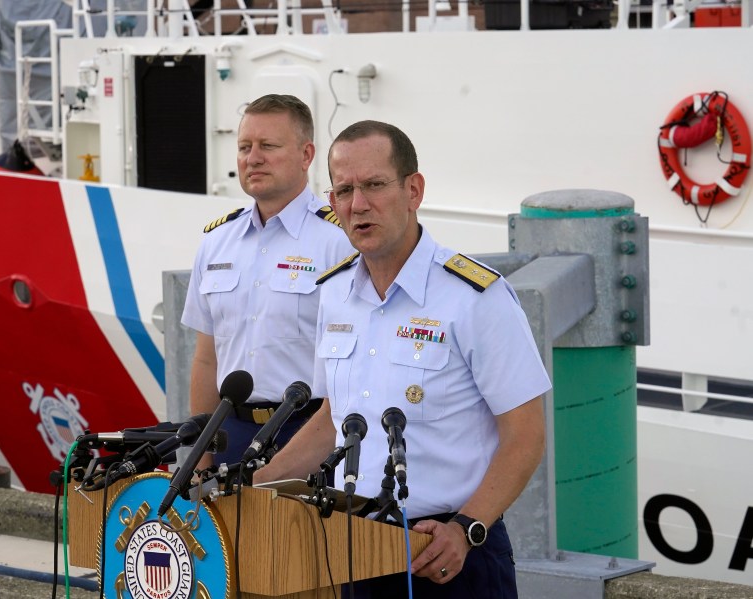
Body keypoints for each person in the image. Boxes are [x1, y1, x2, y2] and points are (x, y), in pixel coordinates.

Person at [255, 120, 551, 598]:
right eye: (345, 190)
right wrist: (254, 487)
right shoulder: (333, 295)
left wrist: (467, 528)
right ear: (332, 203)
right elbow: (334, 418)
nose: (359, 204)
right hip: (355, 546)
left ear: (413, 190)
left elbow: (526, 432)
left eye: (374, 185)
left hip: (449, 555)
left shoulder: (475, 297)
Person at [181, 94, 355, 470]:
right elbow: (206, 358)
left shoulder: (339, 241)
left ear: (306, 155)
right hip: (231, 432)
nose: (252, 158)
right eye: (245, 147)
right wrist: (200, 454)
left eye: (268, 146)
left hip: (311, 431)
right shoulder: (216, 242)